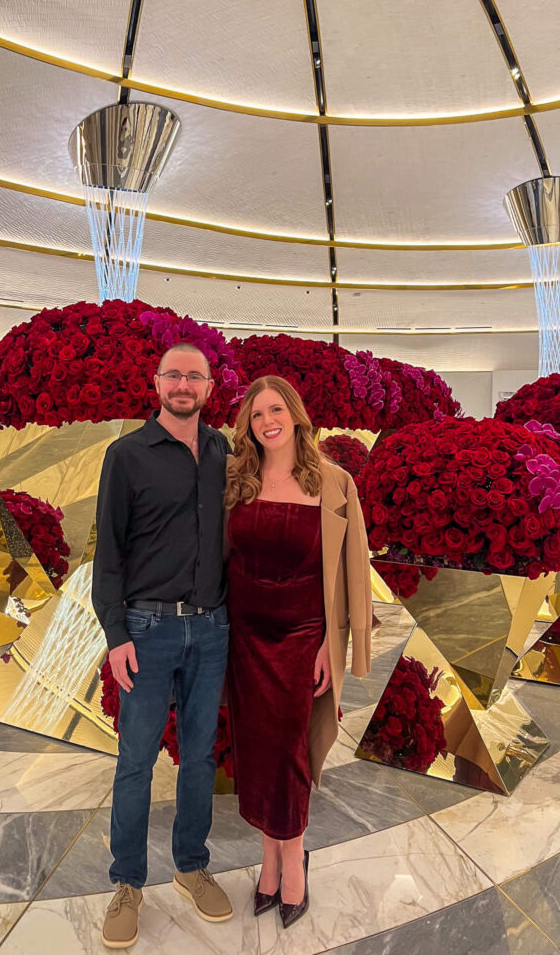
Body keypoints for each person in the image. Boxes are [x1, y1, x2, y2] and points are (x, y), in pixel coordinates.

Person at [92, 342, 233, 950]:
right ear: (156, 383)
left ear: (209, 385)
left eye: (193, 375)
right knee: (135, 762)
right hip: (146, 632)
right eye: (173, 374)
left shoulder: (226, 451)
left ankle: (191, 865)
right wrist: (115, 635)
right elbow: (110, 552)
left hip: (211, 629)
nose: (183, 383)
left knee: (200, 755)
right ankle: (127, 883)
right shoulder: (125, 455)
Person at [224, 375, 372, 929]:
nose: (268, 421)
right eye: (257, 413)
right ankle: (268, 857)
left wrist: (333, 649)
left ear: (296, 415)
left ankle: (292, 861)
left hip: (301, 638)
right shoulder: (236, 480)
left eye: (276, 409)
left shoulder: (334, 483)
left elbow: (353, 568)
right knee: (258, 753)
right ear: (248, 425)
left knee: (292, 755)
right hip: (243, 638)